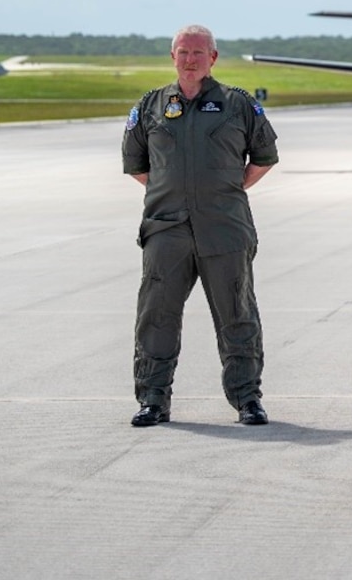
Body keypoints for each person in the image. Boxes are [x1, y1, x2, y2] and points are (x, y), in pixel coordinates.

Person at [121, 25, 278, 428]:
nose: (190, 59)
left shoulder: (238, 104)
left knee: (237, 313)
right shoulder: (152, 105)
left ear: (213, 57)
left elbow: (264, 157)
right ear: (172, 56)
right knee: (156, 316)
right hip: (166, 229)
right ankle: (153, 399)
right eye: (183, 52)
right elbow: (137, 166)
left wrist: (225, 190)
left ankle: (247, 399)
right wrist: (173, 193)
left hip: (224, 228)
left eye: (198, 52)